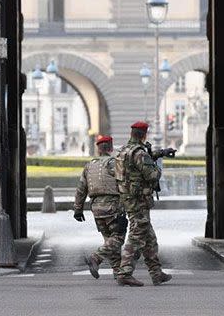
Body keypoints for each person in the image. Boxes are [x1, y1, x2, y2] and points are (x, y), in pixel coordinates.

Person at [114, 121, 172, 287]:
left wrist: (157, 154)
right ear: (144, 134)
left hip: (128, 199)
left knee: (150, 239)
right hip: (139, 201)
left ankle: (156, 273)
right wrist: (157, 166)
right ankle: (124, 272)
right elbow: (152, 175)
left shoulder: (123, 151)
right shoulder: (139, 153)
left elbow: (132, 167)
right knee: (136, 236)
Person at [73, 135, 127, 280]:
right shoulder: (114, 163)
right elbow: (124, 183)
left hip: (96, 208)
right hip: (113, 207)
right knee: (118, 238)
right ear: (110, 147)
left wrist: (78, 209)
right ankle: (96, 257)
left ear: (98, 149)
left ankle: (118, 272)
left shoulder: (89, 165)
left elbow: (81, 189)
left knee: (109, 240)